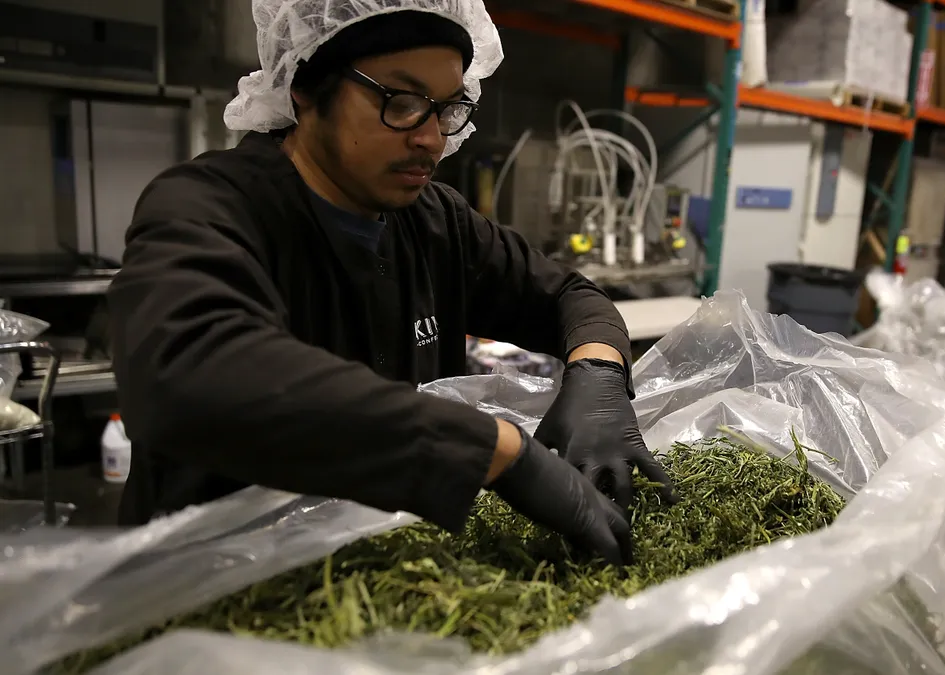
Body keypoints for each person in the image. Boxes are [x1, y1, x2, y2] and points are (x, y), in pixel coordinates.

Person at [106, 1, 675, 567]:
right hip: (213, 586)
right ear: (305, 89)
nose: (431, 138)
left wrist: (599, 375)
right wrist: (496, 452)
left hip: (381, 574)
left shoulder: (435, 221)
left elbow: (569, 295)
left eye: (449, 108)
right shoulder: (208, 206)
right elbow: (185, 376)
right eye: (400, 103)